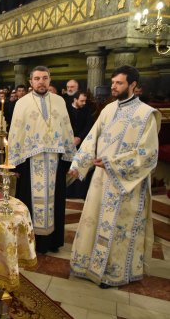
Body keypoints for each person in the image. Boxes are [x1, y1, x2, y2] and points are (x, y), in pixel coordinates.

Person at [69, 65, 160, 288]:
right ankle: (88, 266)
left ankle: (114, 273)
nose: (114, 87)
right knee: (96, 220)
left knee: (120, 228)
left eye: (119, 83)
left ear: (133, 85)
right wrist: (78, 164)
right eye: (113, 83)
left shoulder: (146, 114)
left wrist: (113, 163)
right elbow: (92, 138)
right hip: (101, 180)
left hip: (127, 184)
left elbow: (148, 155)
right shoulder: (108, 109)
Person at [8, 66, 76, 254]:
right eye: (37, 78)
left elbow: (66, 127)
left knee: (55, 200)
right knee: (29, 200)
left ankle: (52, 242)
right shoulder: (22, 103)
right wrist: (14, 163)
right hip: (30, 160)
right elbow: (15, 132)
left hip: (55, 160)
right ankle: (31, 242)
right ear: (31, 81)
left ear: (49, 79)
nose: (41, 82)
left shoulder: (60, 101)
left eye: (45, 78)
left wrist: (70, 156)